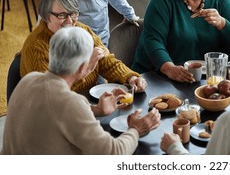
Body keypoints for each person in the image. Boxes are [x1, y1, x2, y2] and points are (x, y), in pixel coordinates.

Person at [1, 26, 160, 154]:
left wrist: (95, 110)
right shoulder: (71, 103)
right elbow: (113, 153)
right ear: (84, 66)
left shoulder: (29, 79)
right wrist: (136, 129)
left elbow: (55, 116)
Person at [20, 0, 146, 95]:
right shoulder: (37, 47)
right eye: (62, 15)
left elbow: (106, 61)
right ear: (47, 16)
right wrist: (86, 69)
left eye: (73, 13)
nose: (69, 21)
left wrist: (130, 77)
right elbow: (51, 96)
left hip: (86, 102)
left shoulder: (82, 30)